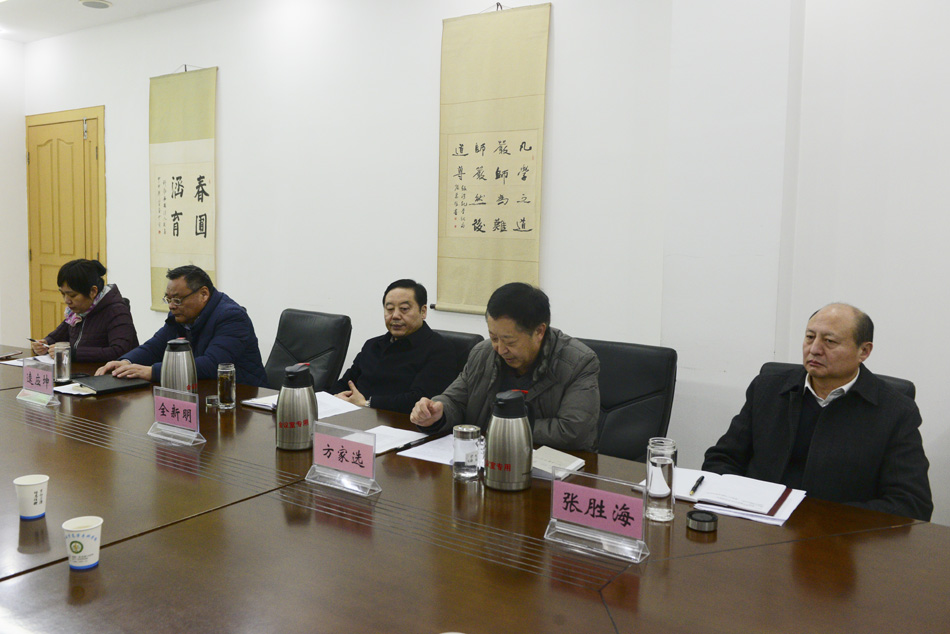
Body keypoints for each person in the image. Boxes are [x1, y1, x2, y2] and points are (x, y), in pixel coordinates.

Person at [702, 303, 933, 521]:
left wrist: (822, 519)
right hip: (756, 526)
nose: (814, 349)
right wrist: (741, 501)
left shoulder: (895, 411)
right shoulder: (768, 389)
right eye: (810, 337)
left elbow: (911, 503)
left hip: (837, 538)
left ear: (863, 351)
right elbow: (722, 460)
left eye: (830, 341)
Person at [410, 282, 600, 452]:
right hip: (486, 460)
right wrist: (438, 413)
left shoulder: (578, 362)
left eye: (510, 341)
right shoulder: (483, 354)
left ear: (539, 331)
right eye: (494, 338)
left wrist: (503, 427)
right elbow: (455, 400)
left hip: (550, 467)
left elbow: (572, 431)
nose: (500, 349)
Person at [95, 265, 267, 387]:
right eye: (168, 299)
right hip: (202, 392)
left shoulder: (232, 317)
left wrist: (153, 372)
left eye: (177, 299)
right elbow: (155, 346)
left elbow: (212, 364)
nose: (171, 306)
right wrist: (125, 362)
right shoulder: (180, 315)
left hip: (242, 398)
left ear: (204, 294)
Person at [331, 279, 456, 414]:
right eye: (390, 309)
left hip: (402, 423)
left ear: (423, 311)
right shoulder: (372, 345)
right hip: (354, 416)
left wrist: (367, 403)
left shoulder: (440, 349)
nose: (395, 316)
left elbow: (420, 399)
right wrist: (336, 397)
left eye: (404, 309)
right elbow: (345, 383)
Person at [32, 259, 138, 363]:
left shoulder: (117, 311)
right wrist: (44, 344)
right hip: (80, 371)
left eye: (72, 295)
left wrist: (73, 354)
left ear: (93, 291)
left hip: (107, 373)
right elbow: (57, 336)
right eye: (63, 294)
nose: (67, 300)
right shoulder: (77, 313)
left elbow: (119, 352)